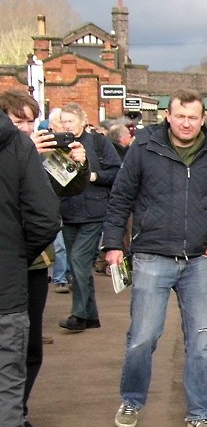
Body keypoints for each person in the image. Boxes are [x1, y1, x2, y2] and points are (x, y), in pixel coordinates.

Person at [101, 92, 207, 427]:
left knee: (201, 337)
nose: (186, 123)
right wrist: (112, 244)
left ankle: (200, 411)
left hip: (198, 259)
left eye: (193, 117)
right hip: (151, 255)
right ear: (168, 116)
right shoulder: (145, 147)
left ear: (202, 120)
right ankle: (131, 400)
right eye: (180, 116)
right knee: (143, 336)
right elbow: (121, 196)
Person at [1, 91, 88, 427]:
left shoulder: (35, 153)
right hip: (13, 259)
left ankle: (17, 415)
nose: (25, 128)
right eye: (17, 120)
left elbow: (65, 192)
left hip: (33, 262)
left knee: (30, 346)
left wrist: (77, 165)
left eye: (29, 121)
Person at [0, 97, 62, 427]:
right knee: (6, 398)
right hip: (6, 293)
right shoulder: (17, 149)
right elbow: (45, 218)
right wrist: (14, 257)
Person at [53, 104, 122, 333]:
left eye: (70, 121)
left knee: (80, 261)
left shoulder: (99, 143)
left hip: (94, 212)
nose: (66, 126)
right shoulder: (57, 145)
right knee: (76, 265)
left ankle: (79, 315)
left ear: (83, 120)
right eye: (63, 121)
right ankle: (91, 316)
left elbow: (116, 172)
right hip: (69, 211)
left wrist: (93, 175)